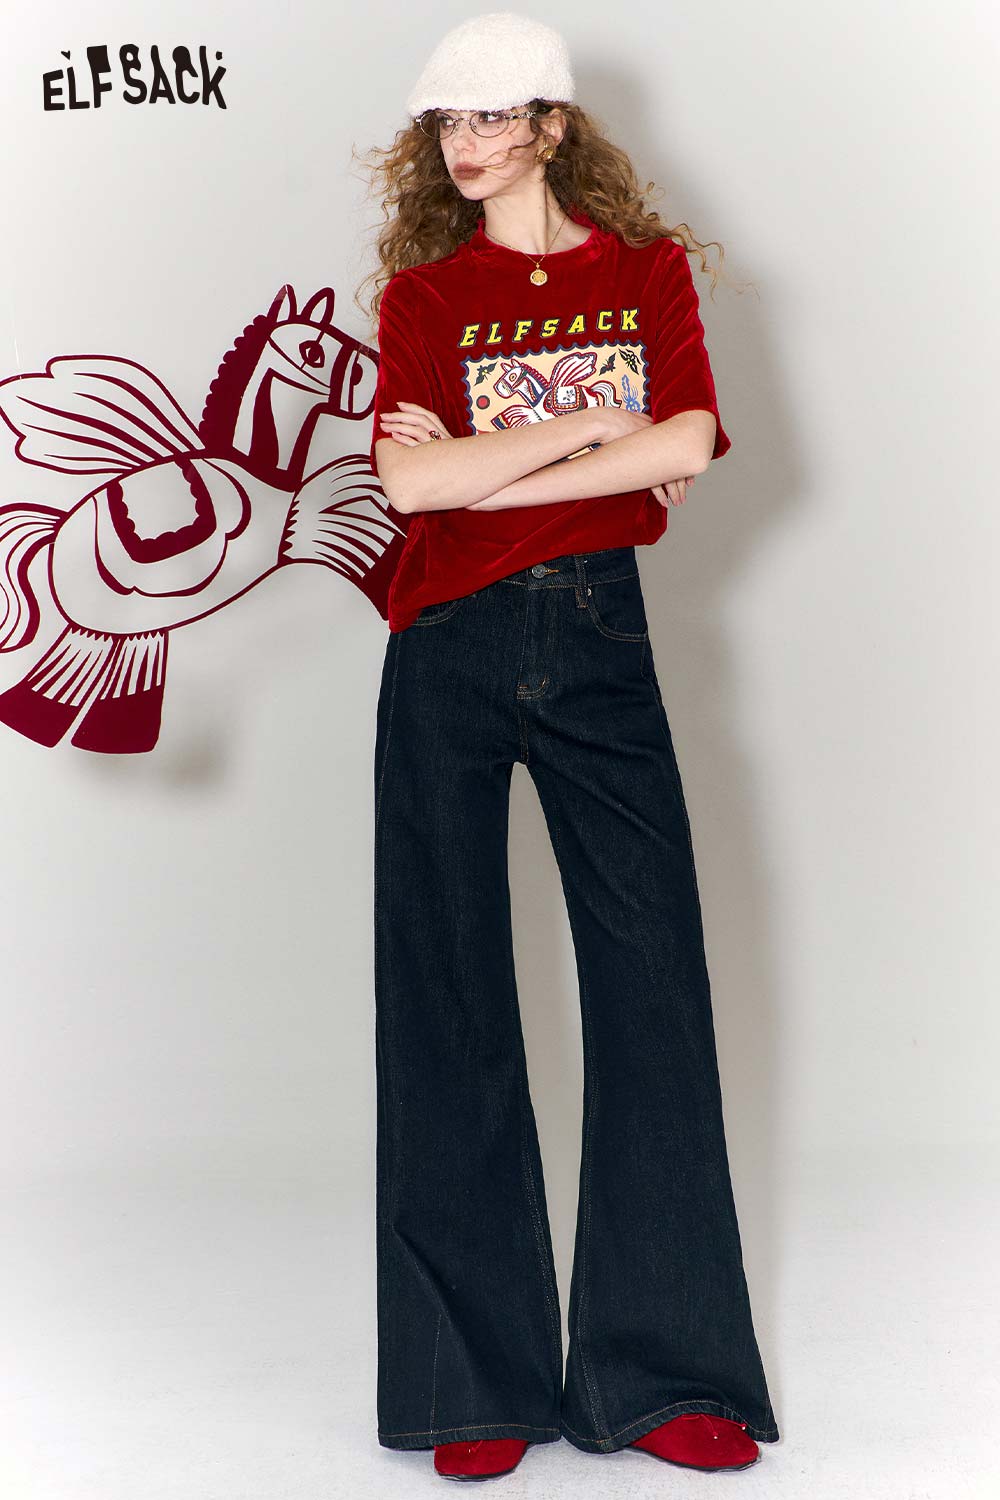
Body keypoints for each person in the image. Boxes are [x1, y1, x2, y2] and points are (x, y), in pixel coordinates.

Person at [361, 10, 780, 1483]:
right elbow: (410, 488)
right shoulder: (425, 294)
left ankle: (659, 1375)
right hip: (445, 647)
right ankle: (469, 1382)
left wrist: (492, 459)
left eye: (492, 119)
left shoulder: (645, 273)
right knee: (447, 989)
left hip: (601, 635)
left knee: (652, 983)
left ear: (551, 125)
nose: (466, 148)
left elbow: (688, 442)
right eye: (447, 126)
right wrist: (593, 422)